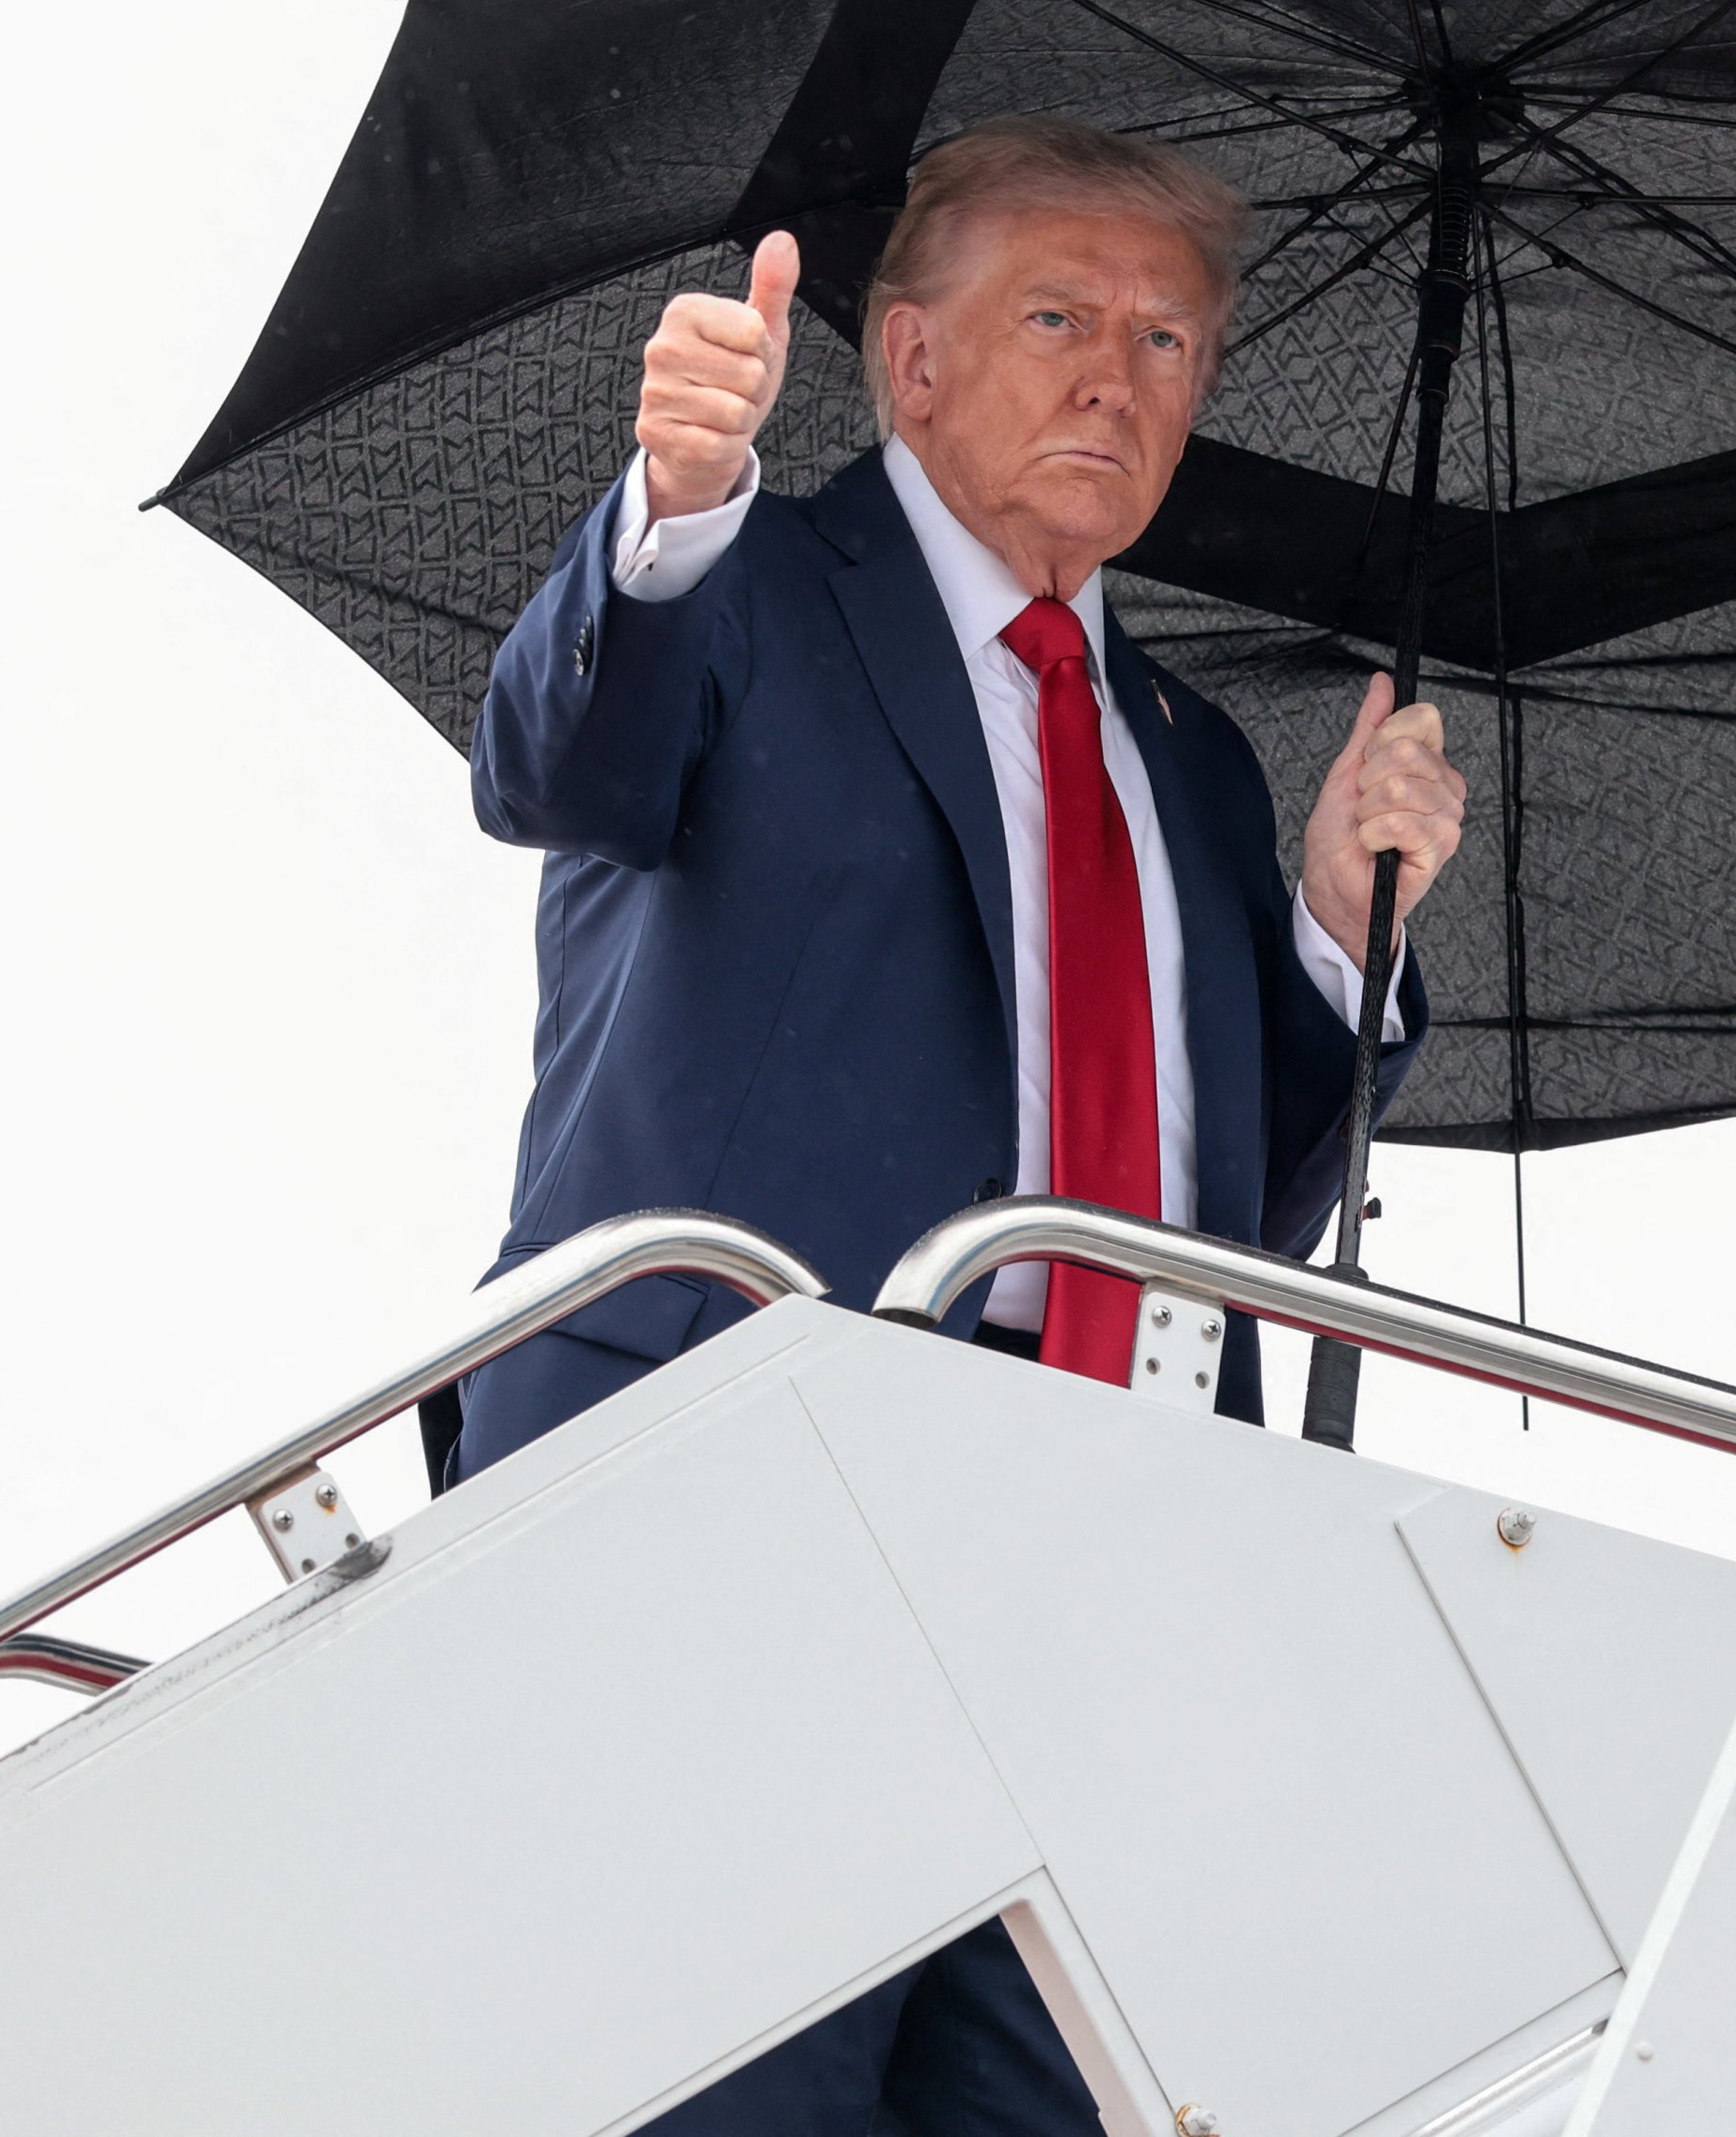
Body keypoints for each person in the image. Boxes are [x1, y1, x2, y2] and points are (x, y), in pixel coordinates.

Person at [446, 112, 1470, 2134]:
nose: (1118, 375)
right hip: (749, 1491)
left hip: (1102, 1564)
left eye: (1168, 342)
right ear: (907, 361)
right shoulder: (741, 589)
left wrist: (1345, 939)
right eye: (1061, 317)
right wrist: (670, 501)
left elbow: (1208, 1196)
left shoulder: (1186, 758)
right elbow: (558, 758)